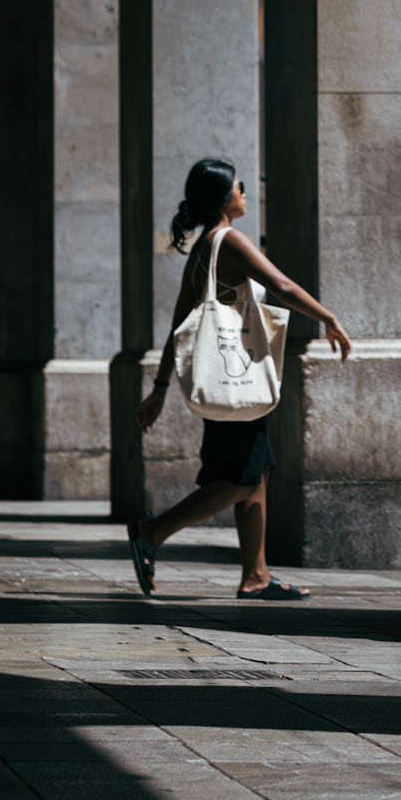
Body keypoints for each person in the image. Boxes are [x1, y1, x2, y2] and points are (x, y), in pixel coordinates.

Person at [126, 157, 352, 601]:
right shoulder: (229, 240)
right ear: (223, 197)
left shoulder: (204, 245)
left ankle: (256, 576)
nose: (245, 191)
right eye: (239, 186)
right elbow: (282, 286)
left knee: (257, 472)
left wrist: (161, 387)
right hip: (236, 382)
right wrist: (329, 318)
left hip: (229, 385)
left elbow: (179, 322)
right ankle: (152, 531)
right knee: (243, 479)